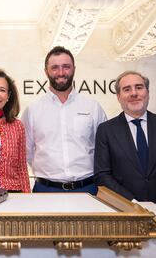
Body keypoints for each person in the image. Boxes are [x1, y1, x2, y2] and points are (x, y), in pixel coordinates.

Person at [21, 46, 107, 194]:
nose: (61, 73)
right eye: (54, 67)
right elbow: (26, 152)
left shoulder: (93, 107)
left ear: (74, 68)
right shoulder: (32, 110)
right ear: (46, 71)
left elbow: (104, 150)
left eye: (66, 67)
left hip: (88, 189)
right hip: (45, 190)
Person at [94, 71, 156, 214]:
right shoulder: (106, 130)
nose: (134, 93)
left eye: (139, 87)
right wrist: (133, 206)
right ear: (118, 96)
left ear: (147, 92)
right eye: (127, 89)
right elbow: (102, 176)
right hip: (125, 213)